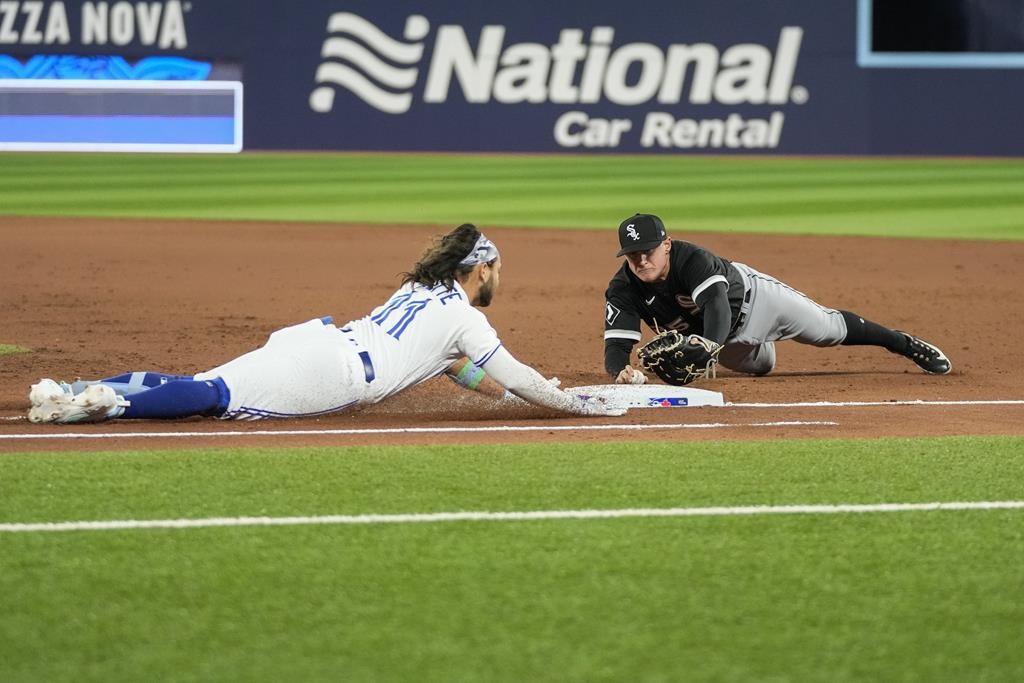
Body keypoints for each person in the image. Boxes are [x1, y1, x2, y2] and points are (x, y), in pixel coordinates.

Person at [29, 223, 624, 424]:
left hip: (313, 340)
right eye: (498, 269)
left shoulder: (421, 290)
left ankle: (75, 389)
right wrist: (575, 405)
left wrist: (496, 398)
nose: (502, 278)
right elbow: (516, 375)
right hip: (331, 374)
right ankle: (106, 405)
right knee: (214, 398)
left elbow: (455, 369)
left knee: (204, 383)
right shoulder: (463, 319)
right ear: (482, 269)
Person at [603, 213, 951, 384]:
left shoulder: (692, 260)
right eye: (632, 255)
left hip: (759, 302)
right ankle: (756, 349)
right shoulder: (623, 287)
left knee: (827, 330)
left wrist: (708, 347)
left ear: (667, 244)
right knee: (763, 367)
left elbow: (717, 307)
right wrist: (620, 372)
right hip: (726, 340)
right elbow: (618, 343)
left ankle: (902, 343)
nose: (641, 260)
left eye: (647, 251)